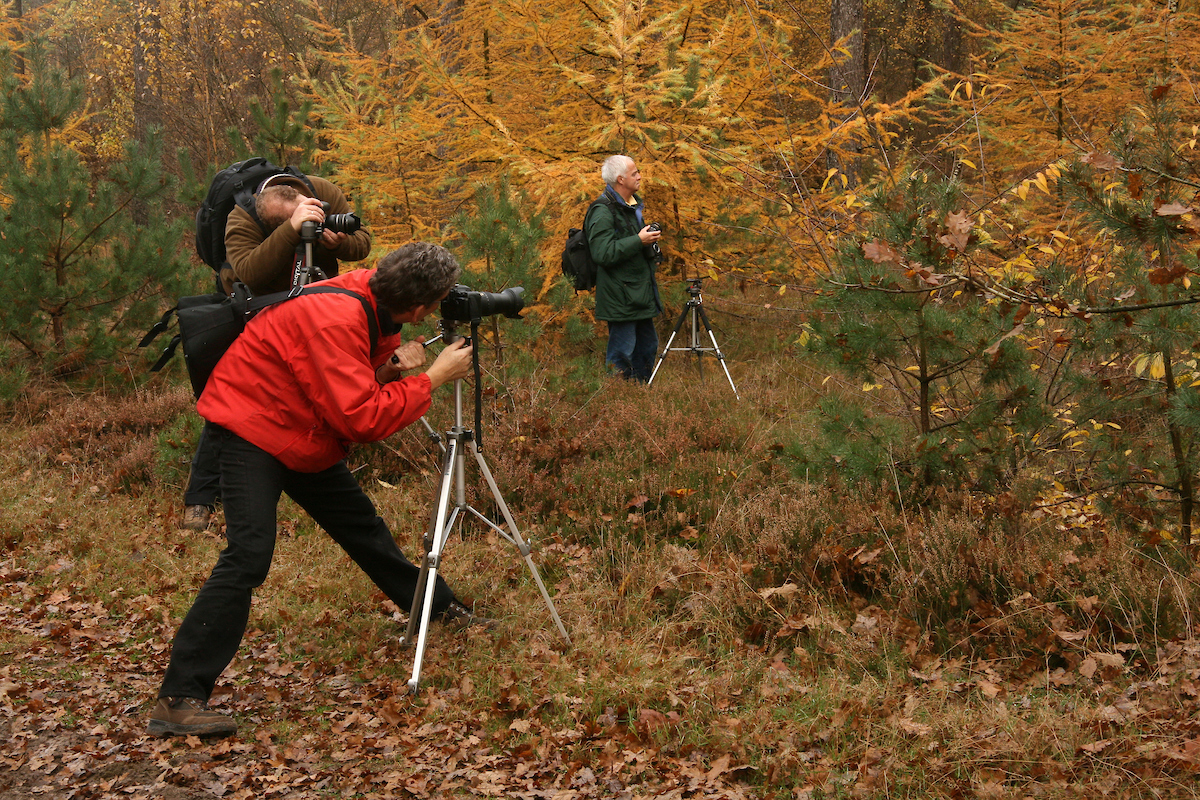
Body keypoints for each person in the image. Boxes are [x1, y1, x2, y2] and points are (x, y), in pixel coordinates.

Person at [149, 243, 478, 738]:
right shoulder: (335, 316)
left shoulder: (375, 292)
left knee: (360, 526)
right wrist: (433, 378)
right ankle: (179, 698)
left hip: (304, 430)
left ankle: (436, 607)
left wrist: (391, 370)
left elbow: (347, 383)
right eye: (435, 304)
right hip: (251, 428)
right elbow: (362, 417)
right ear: (417, 307)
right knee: (249, 554)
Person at [184, 173, 372, 531]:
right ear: (265, 214)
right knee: (235, 397)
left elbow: (362, 243)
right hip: (259, 307)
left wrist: (338, 243)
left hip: (313, 302)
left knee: (315, 389)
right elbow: (249, 272)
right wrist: (292, 230)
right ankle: (200, 497)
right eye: (282, 221)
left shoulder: (325, 193)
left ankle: (317, 476)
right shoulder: (242, 214)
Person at [585, 154, 663, 382]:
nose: (639, 176)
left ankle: (640, 400)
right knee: (621, 354)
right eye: (634, 173)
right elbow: (602, 253)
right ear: (620, 179)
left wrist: (646, 241)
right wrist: (639, 241)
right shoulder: (602, 211)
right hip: (620, 297)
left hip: (639, 293)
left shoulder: (632, 206)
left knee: (647, 349)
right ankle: (615, 401)